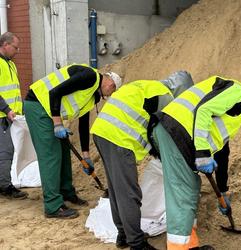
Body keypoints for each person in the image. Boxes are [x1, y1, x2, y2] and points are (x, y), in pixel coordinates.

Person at [151, 75, 241, 250]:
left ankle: (189, 243)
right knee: (184, 193)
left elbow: (222, 153)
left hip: (173, 132)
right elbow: (204, 110)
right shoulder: (238, 92)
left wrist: (222, 191)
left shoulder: (231, 107)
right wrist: (202, 153)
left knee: (189, 187)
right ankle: (179, 247)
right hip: (178, 134)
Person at [90, 71, 194, 250]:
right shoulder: (165, 96)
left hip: (102, 132)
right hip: (118, 138)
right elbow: (162, 129)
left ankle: (123, 235)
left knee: (117, 189)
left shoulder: (146, 85)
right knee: (129, 193)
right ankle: (137, 243)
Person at [23, 64, 122, 219]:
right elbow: (54, 92)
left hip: (48, 109)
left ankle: (66, 192)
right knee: (51, 155)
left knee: (63, 150)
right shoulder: (89, 77)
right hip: (38, 106)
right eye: (112, 91)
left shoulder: (92, 94)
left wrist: (86, 156)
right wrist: (57, 124)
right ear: (110, 83)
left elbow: (83, 123)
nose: (109, 95)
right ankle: (53, 206)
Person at [0, 32, 28, 199]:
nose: (17, 51)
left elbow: (14, 91)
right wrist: (6, 109)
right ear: (5, 44)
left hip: (11, 116)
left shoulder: (11, 64)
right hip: (3, 116)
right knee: (5, 152)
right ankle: (5, 186)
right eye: (15, 47)